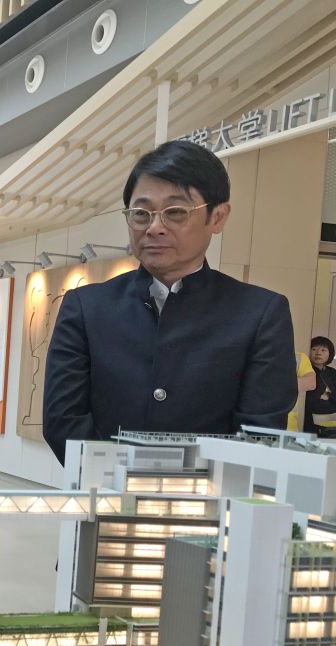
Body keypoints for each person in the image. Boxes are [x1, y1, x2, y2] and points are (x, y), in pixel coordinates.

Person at [43, 139, 296, 464]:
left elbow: (260, 433)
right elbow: (63, 421)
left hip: (210, 508)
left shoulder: (260, 313)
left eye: (176, 212)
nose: (155, 228)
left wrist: (187, 494)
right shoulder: (86, 307)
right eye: (141, 214)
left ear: (217, 217)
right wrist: (119, 489)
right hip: (103, 502)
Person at [303, 336, 336, 435]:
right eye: (313, 349)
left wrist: (327, 396)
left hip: (332, 421)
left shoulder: (333, 372)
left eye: (323, 350)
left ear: (330, 354)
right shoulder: (305, 370)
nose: (318, 353)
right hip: (309, 420)